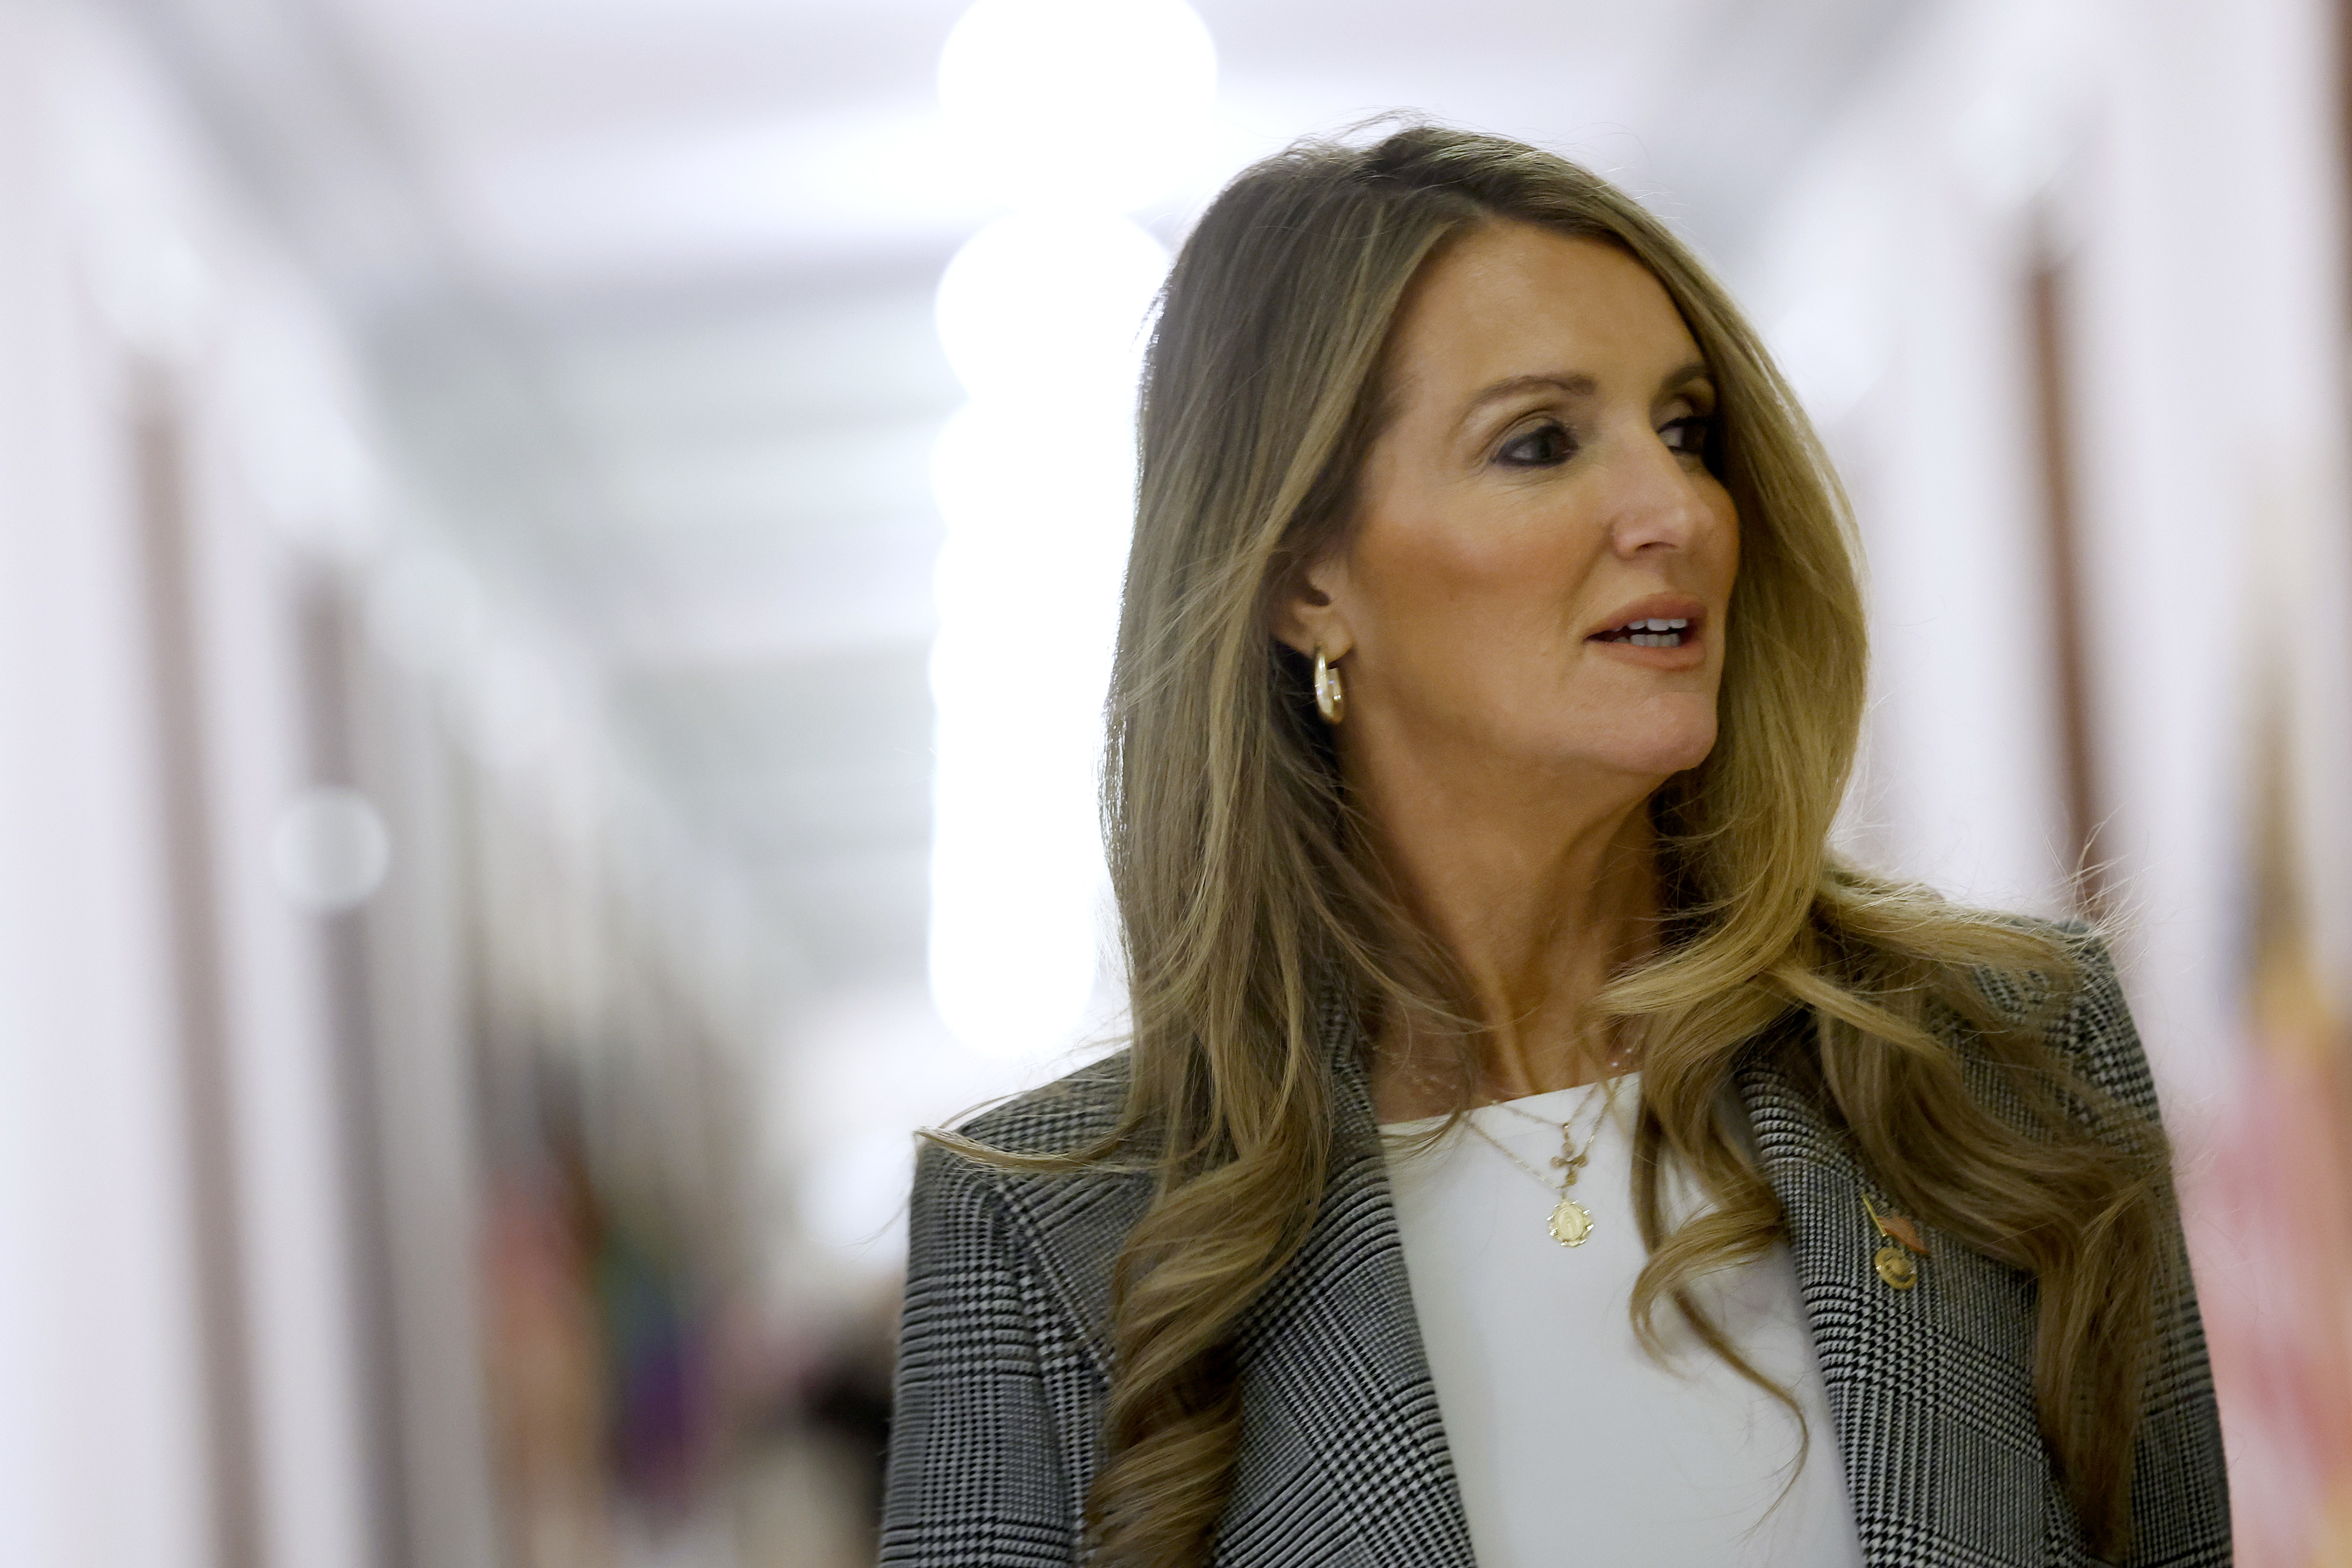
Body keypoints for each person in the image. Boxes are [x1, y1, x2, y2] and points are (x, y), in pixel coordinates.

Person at [880, 125, 2229, 1567]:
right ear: (1301, 577)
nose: (1677, 512)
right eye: (1538, 442)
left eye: (1687, 429)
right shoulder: (1050, 1235)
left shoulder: (2002, 1058)